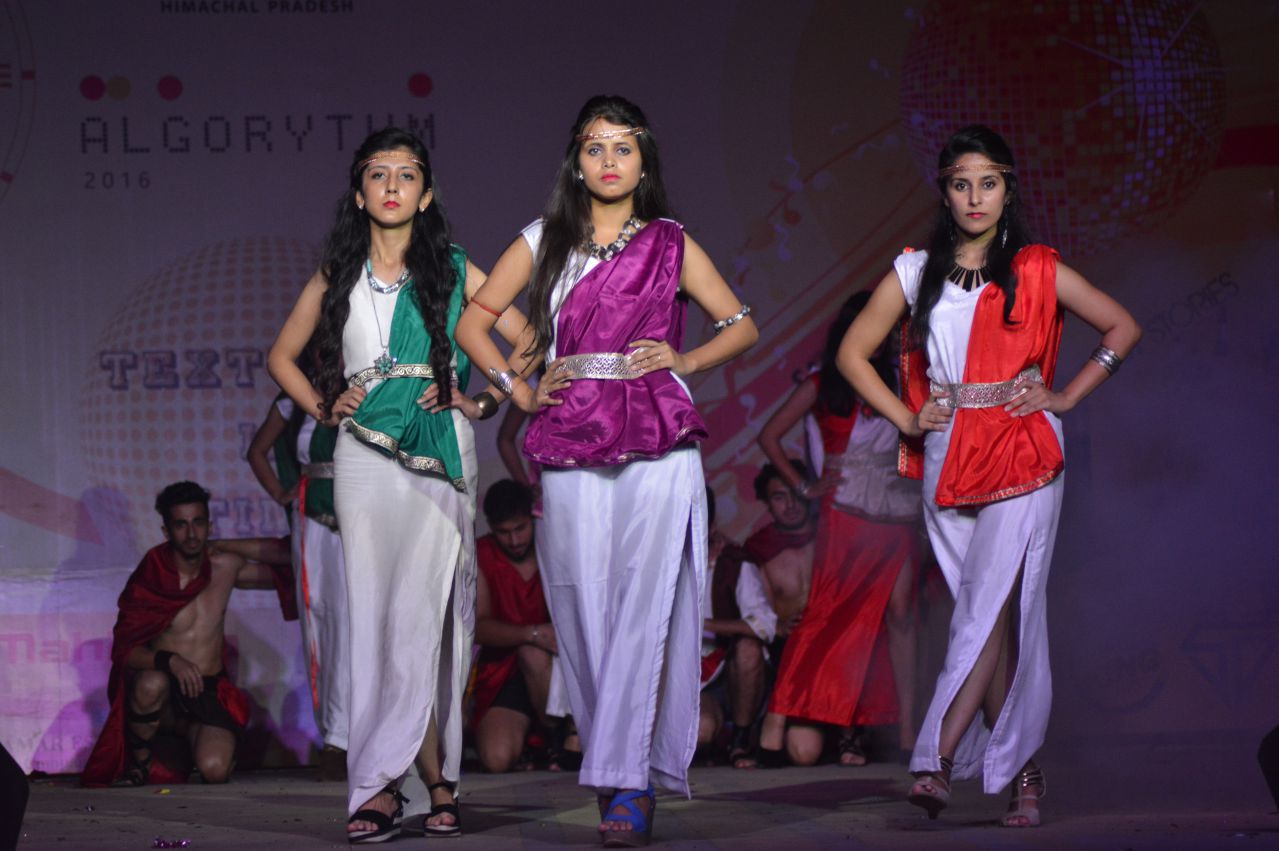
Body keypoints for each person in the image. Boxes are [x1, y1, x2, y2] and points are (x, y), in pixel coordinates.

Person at [454, 94, 758, 846]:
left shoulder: (670, 241)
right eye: (595, 147)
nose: (610, 161)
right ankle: (616, 767)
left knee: (645, 602)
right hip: (569, 434)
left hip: (659, 434)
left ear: (644, 161)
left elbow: (741, 324)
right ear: (576, 161)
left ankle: (628, 784)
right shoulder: (542, 239)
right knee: (583, 607)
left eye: (624, 147)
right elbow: (472, 323)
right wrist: (521, 390)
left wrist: (684, 359)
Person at [837, 125, 1141, 827]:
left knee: (989, 610)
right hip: (948, 457)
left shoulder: (1037, 267)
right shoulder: (915, 271)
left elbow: (1121, 327)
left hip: (1023, 448)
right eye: (960, 184)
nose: (975, 197)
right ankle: (1023, 776)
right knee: (987, 615)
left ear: (1008, 189)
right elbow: (853, 352)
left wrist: (1067, 396)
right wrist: (907, 416)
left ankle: (936, 757)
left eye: (988, 183)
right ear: (944, 192)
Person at [267, 127, 532, 843]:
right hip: (361, 457)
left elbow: (525, 337)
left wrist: (484, 400)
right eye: (377, 174)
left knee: (429, 622)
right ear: (359, 194)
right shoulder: (337, 272)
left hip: (440, 451)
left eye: (406, 174)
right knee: (376, 620)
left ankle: (432, 778)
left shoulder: (453, 267)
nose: (391, 186)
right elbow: (282, 356)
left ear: (426, 192)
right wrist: (325, 405)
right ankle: (381, 784)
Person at [758, 294, 923, 768]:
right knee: (825, 609)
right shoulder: (822, 382)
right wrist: (804, 486)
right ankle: (775, 722)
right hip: (845, 509)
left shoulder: (902, 379)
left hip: (896, 508)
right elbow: (769, 436)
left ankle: (907, 730)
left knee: (900, 615)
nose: (882, 336)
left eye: (887, 328)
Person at [81, 481, 295, 788]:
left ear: (210, 525)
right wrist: (171, 660)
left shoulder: (225, 567)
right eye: (181, 525)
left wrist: (227, 545)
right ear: (167, 531)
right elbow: (125, 651)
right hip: (166, 691)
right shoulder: (152, 574)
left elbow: (292, 557)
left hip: (206, 690)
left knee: (215, 771)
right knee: (151, 683)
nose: (191, 534)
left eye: (198, 523)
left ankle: (191, 737)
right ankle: (139, 763)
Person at [246, 389, 349, 780]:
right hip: (314, 518)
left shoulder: (369, 380)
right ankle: (335, 738)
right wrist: (280, 494)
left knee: (359, 622)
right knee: (320, 621)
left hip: (365, 514)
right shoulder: (297, 393)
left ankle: (367, 733)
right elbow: (257, 451)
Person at [472, 479, 577, 772]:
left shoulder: (553, 545)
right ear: (491, 527)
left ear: (533, 518)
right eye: (504, 532)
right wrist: (532, 634)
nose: (514, 540)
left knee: (533, 654)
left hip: (556, 665)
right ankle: (534, 744)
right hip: (503, 669)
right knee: (496, 759)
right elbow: (478, 627)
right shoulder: (481, 554)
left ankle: (559, 737)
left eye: (520, 529)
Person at [743, 460, 819, 766]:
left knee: (805, 751)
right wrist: (780, 627)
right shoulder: (758, 549)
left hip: (829, 658)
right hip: (781, 656)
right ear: (766, 502)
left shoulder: (832, 539)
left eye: (796, 494)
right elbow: (756, 612)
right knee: (803, 751)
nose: (790, 505)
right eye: (779, 496)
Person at [697, 488, 776, 767]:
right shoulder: (659, 565)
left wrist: (699, 624)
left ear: (711, 527)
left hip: (730, 676)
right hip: (689, 679)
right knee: (701, 731)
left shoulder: (734, 563)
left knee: (749, 648)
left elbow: (765, 624)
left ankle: (740, 740)